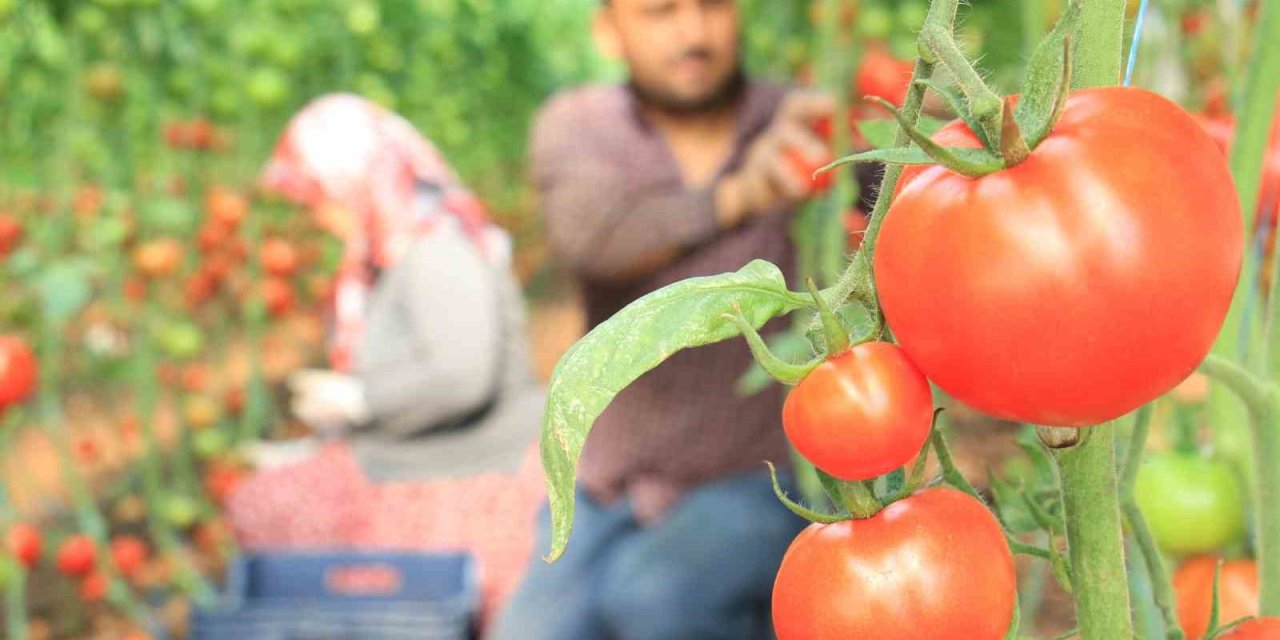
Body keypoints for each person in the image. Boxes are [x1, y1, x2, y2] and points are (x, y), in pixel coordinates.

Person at [489, 1, 839, 638]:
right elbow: (595, 239)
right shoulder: (581, 125)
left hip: (757, 476)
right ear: (608, 29)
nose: (694, 32)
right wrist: (741, 194)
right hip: (609, 485)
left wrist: (882, 119)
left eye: (713, 5)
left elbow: (890, 209)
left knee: (655, 599)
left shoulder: (796, 121)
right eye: (661, 11)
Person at [228, 93, 547, 619]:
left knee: (273, 506)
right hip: (428, 454)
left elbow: (462, 377)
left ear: (359, 182)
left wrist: (361, 399)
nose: (319, 216)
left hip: (471, 464)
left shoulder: (436, 252)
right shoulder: (395, 253)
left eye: (322, 198)